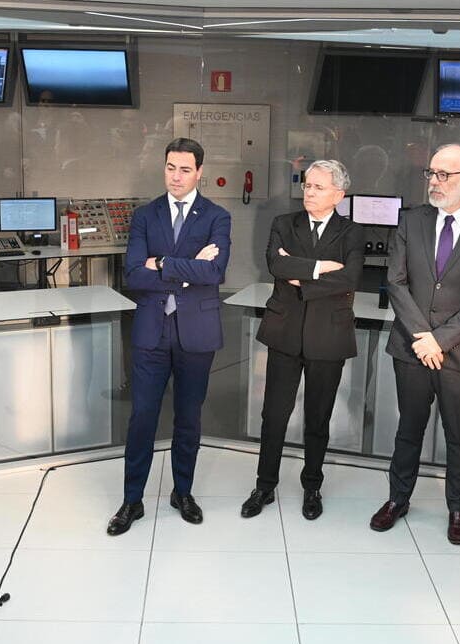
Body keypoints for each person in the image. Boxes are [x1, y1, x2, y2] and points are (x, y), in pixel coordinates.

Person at [368, 144, 460, 540]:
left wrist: (440, 340)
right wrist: (422, 338)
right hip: (411, 349)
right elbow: (395, 281)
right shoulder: (409, 221)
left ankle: (458, 508)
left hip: (459, 352)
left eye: (444, 175)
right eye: (431, 173)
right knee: (408, 427)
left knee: (459, 434)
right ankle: (398, 498)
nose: (434, 181)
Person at [108, 138, 231, 535]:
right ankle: (132, 500)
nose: (176, 176)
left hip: (196, 332)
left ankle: (183, 491)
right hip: (151, 332)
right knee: (142, 417)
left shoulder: (217, 216)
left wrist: (160, 262)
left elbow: (215, 273)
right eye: (170, 168)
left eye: (184, 169)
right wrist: (187, 266)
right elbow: (133, 274)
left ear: (199, 173)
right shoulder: (146, 215)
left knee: (188, 417)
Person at [242, 159, 364, 520]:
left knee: (318, 417)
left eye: (318, 187)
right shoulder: (284, 223)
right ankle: (264, 486)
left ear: (338, 195)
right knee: (274, 415)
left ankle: (313, 486)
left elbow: (350, 278)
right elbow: (275, 265)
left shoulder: (352, 232)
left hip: (329, 333)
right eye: (307, 185)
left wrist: (298, 273)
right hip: (285, 332)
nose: (309, 192)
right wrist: (320, 268)